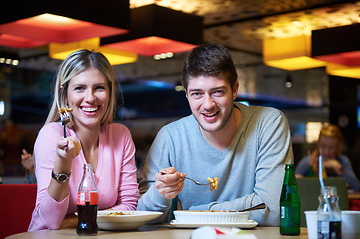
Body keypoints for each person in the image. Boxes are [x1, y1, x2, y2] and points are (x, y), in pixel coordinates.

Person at [137, 43, 294, 226]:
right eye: (197, 94)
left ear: (234, 89)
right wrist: (160, 194)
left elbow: (273, 210)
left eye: (217, 92)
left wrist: (193, 213)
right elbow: (142, 216)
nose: (208, 104)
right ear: (186, 95)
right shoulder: (170, 137)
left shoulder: (269, 123)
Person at [28, 49, 139, 231]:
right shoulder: (51, 135)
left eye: (99, 88)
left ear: (109, 92)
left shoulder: (121, 135)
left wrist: (72, 220)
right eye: (80, 88)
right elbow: (51, 221)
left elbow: (129, 207)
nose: (90, 98)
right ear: (64, 94)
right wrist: (63, 164)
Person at [295, 123, 360, 191]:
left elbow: (357, 187)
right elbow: (292, 187)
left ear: (337, 146)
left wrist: (340, 170)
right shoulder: (307, 162)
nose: (327, 151)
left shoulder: (343, 161)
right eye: (323, 146)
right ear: (318, 144)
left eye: (331, 147)